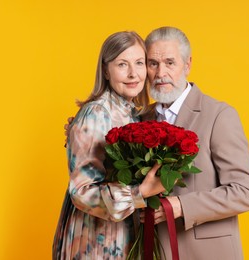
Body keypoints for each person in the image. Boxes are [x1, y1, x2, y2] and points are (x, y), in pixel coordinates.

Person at [140, 26, 249, 260]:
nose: (160, 72)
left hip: (207, 253)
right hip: (152, 251)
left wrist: (181, 206)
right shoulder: (141, 118)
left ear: (187, 65)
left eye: (170, 62)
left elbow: (245, 192)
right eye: (152, 63)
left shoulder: (219, 115)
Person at [53, 31, 165, 260]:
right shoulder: (96, 113)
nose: (133, 73)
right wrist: (140, 193)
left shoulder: (133, 113)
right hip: (95, 243)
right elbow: (81, 191)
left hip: (125, 237)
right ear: (105, 70)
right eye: (122, 64)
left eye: (139, 63)